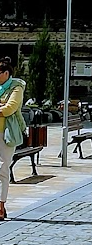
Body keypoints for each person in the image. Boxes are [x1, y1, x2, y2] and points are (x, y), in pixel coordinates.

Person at [0, 57, 26, 221]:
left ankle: (1, 205)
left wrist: (3, 107)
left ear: (6, 73)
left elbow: (10, 108)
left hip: (7, 133)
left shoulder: (16, 87)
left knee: (2, 168)